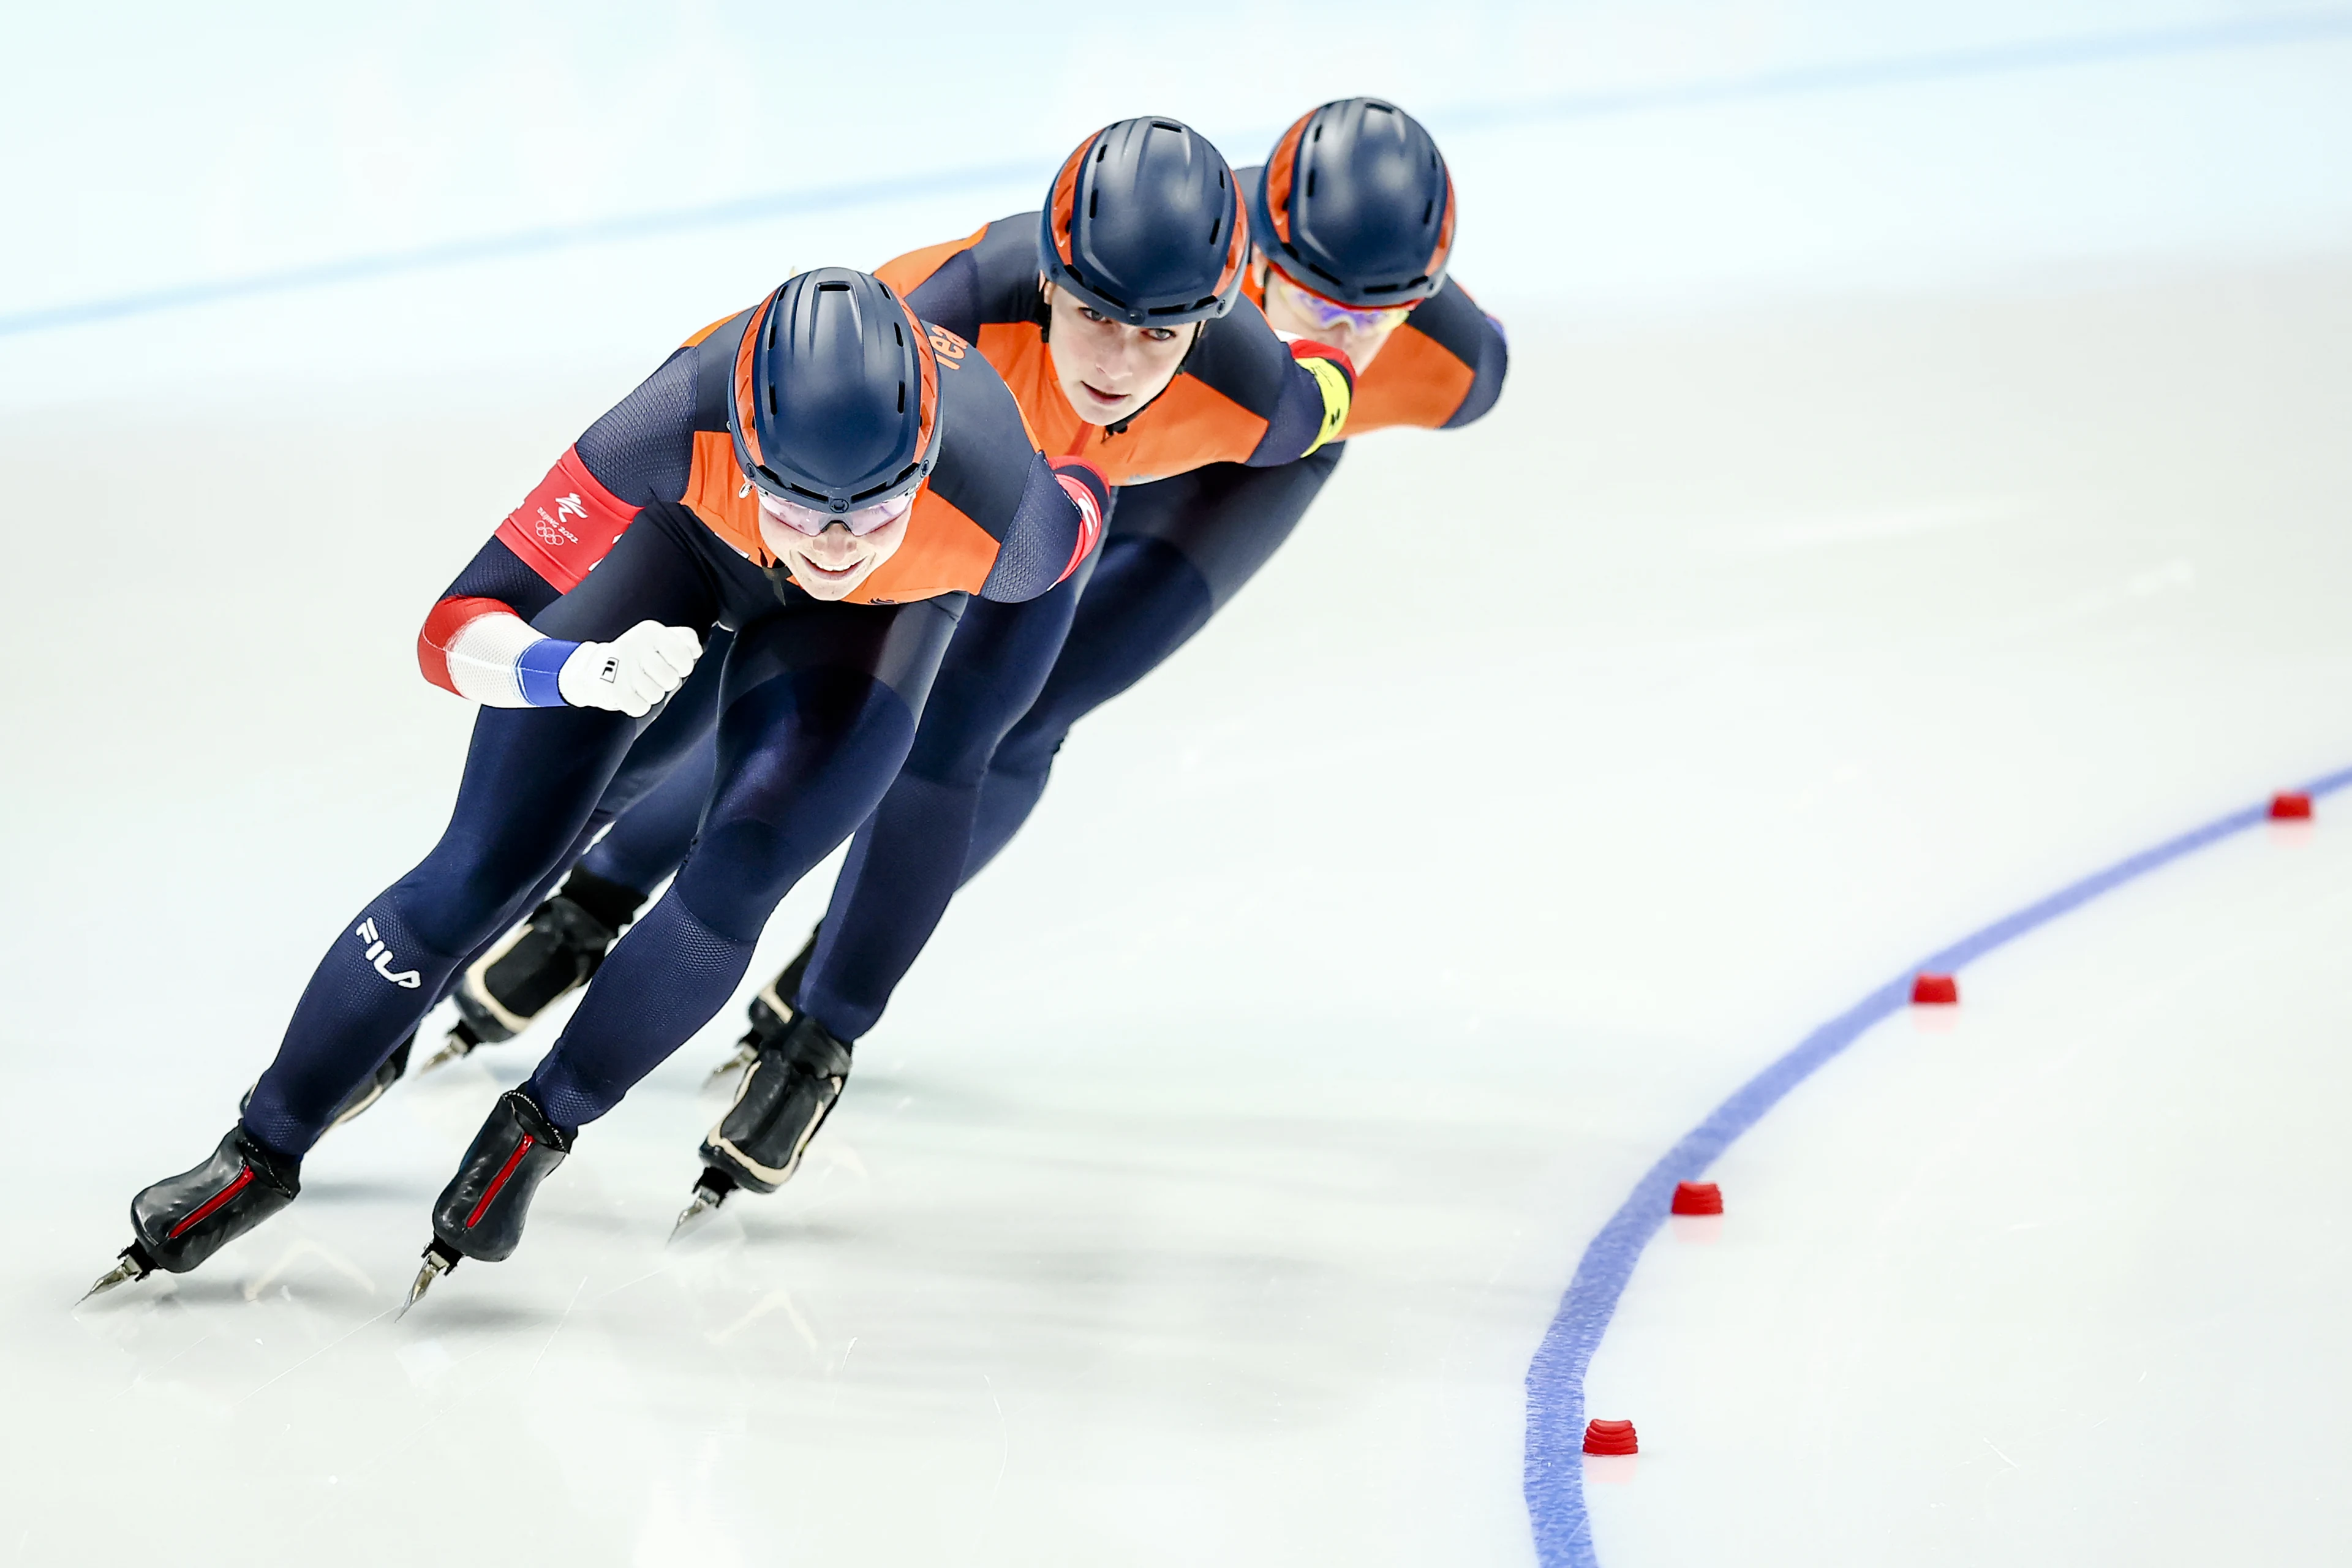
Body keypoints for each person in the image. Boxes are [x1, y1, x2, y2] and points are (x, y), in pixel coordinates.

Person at [454, 100, 1502, 1232]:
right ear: (1252, 245)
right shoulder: (1111, 253)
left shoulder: (1448, 367)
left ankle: (822, 1023)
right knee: (825, 696)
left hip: (1222, 472)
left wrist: (1324, 388)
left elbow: (1326, 393)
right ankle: (602, 899)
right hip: (1014, 478)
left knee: (1008, 725)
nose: (1342, 329)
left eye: (1381, 312)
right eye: (1309, 293)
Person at [86, 265, 1111, 1303]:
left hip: (885, 619)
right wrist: (572, 671)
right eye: (802, 510)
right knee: (483, 866)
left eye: (874, 509)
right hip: (688, 548)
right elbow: (451, 633)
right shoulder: (670, 417)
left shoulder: (1008, 514)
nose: (835, 546)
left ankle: (537, 1131)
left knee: (740, 873)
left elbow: (1085, 501)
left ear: (929, 464)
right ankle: (257, 1153)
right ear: (745, 454)